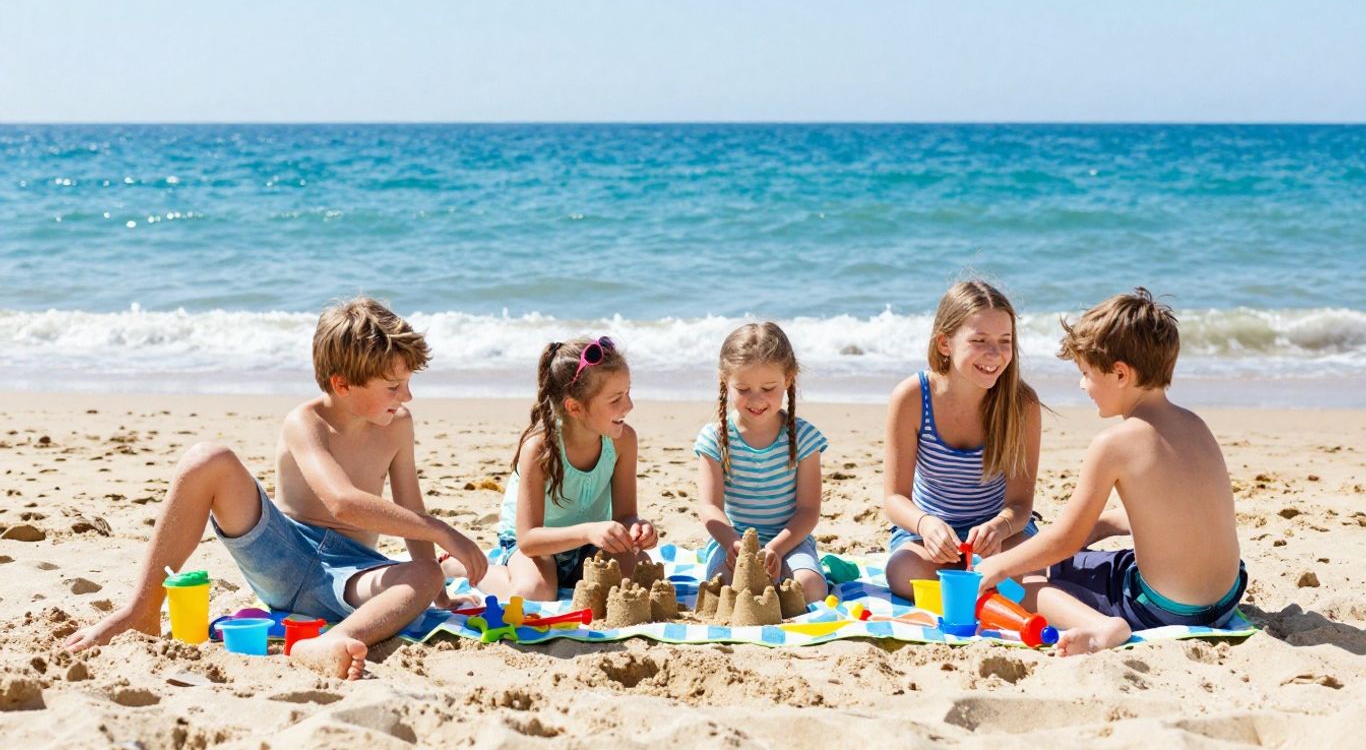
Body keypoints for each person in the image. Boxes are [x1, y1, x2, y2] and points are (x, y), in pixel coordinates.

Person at [64, 297, 488, 679]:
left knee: (427, 573)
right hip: (283, 551)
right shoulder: (306, 423)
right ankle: (141, 610)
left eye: (408, 382)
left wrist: (440, 592)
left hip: (351, 571)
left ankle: (328, 641)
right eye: (393, 386)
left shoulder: (397, 426)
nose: (407, 396)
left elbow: (410, 505)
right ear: (342, 384)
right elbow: (342, 503)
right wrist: (443, 529)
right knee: (206, 459)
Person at [976, 288, 1246, 655]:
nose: (1082, 384)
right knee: (1098, 558)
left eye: (1086, 373)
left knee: (1030, 577)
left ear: (1120, 374)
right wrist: (1102, 526)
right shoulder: (1195, 425)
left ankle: (1102, 627)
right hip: (1226, 598)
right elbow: (1184, 509)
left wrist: (998, 566)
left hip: (1161, 610)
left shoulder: (1114, 444)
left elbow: (1064, 540)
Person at [882, 280, 1042, 601]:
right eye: (979, 340)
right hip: (928, 534)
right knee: (902, 573)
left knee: (1037, 570)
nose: (994, 354)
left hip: (1000, 533)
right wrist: (926, 525)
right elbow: (894, 499)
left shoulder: (1021, 404)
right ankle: (980, 590)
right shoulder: (913, 397)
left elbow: (1020, 506)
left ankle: (972, 587)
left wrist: (998, 527)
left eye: (1004, 340)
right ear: (945, 343)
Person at [472, 336, 657, 600]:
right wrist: (588, 531)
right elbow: (528, 539)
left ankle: (564, 576)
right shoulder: (539, 449)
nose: (629, 406)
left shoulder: (623, 441)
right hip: (538, 547)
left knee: (641, 577)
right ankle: (473, 568)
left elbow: (626, 515)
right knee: (534, 592)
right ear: (574, 407)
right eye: (616, 399)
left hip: (590, 543)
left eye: (628, 393)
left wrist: (637, 528)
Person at [695, 322, 829, 603]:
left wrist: (778, 549)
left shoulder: (804, 438)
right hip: (732, 542)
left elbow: (808, 511)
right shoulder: (715, 438)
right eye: (743, 389)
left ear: (788, 379)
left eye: (768, 387)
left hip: (790, 541)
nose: (756, 399)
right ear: (725, 380)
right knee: (724, 590)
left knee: (812, 589)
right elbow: (710, 508)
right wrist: (733, 542)